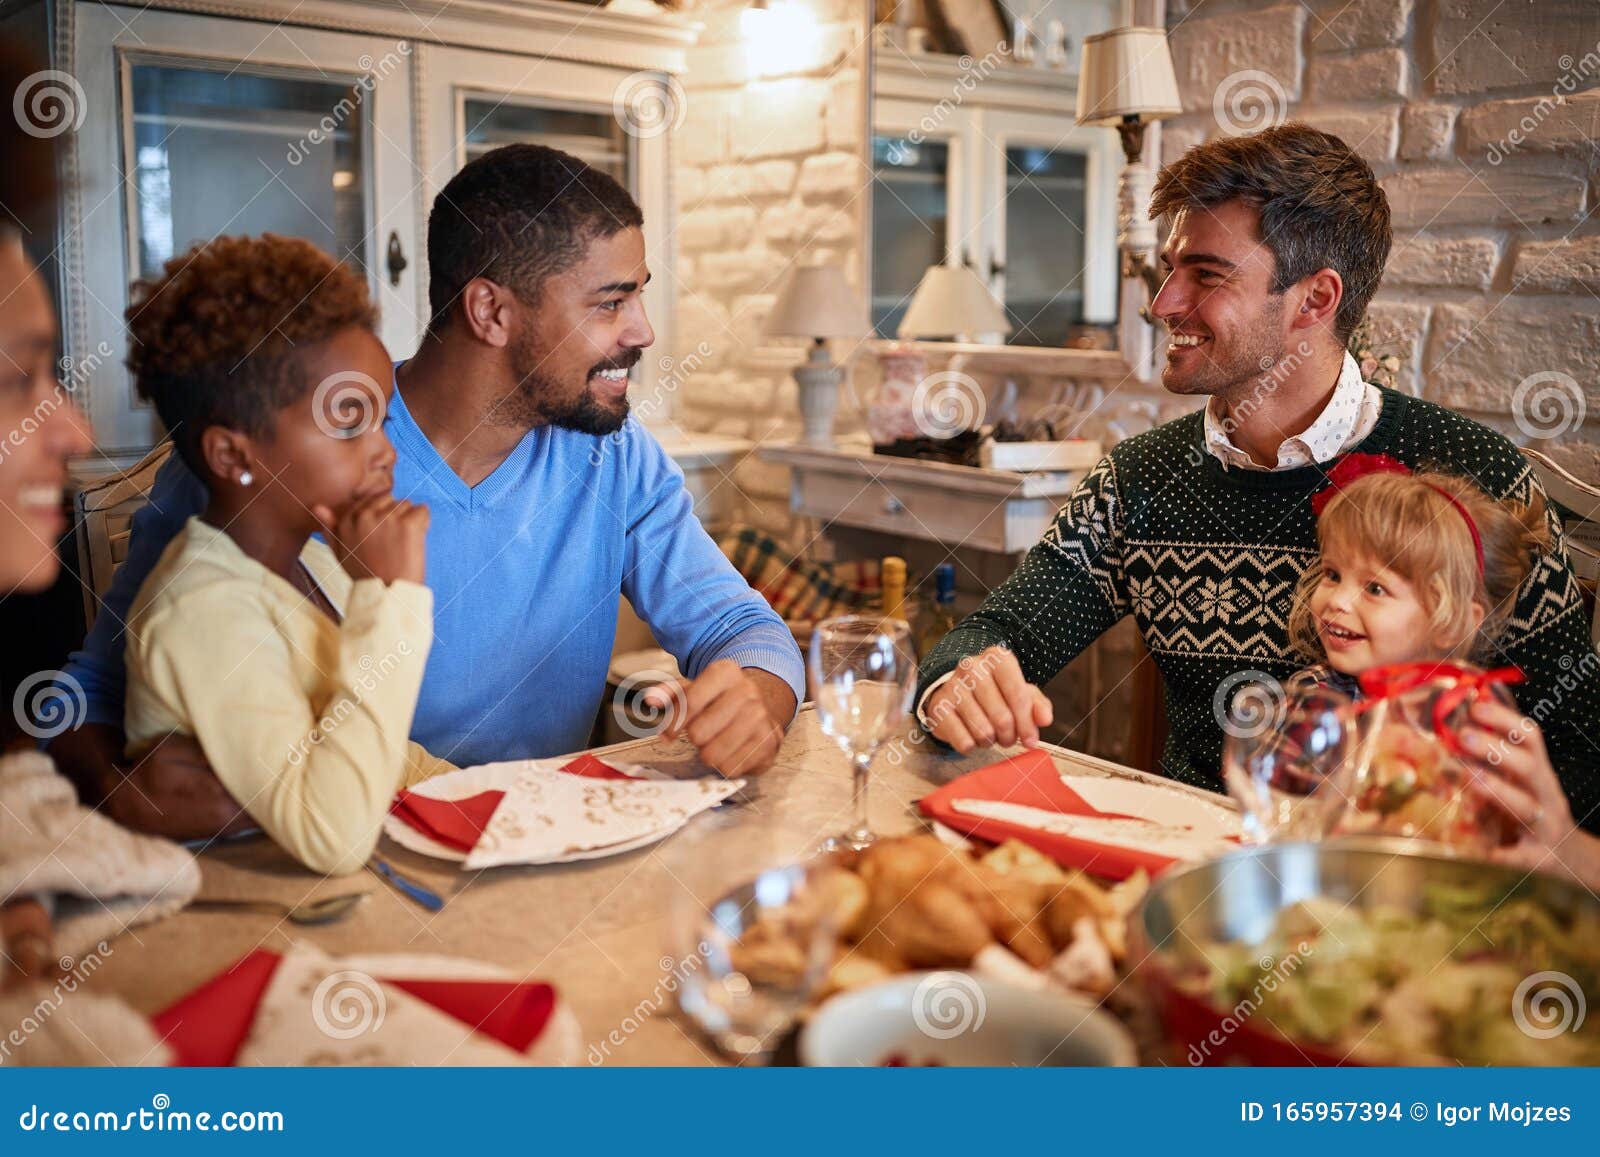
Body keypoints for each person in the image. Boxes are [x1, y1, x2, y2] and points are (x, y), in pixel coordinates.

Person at [51, 143, 804, 838]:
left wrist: (756, 700)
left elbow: (748, 630)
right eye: (609, 303)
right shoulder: (277, 464)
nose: (641, 330)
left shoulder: (617, 457)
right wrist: (118, 790)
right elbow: (86, 694)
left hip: (529, 854)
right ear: (491, 312)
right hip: (330, 871)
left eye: (637, 295)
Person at [917, 123, 1600, 833]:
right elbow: (997, 633)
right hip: (1189, 877)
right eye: (1171, 266)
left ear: (1314, 299)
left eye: (1206, 274)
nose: (1163, 303)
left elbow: (1582, 760)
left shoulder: (1480, 477)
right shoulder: (1136, 479)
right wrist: (956, 682)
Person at [121, 234, 453, 875]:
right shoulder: (205, 610)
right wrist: (397, 599)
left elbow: (386, 754)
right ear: (233, 457)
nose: (386, 453)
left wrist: (495, 800)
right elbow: (335, 837)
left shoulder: (317, 562)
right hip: (241, 929)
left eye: (382, 420)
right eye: (349, 422)